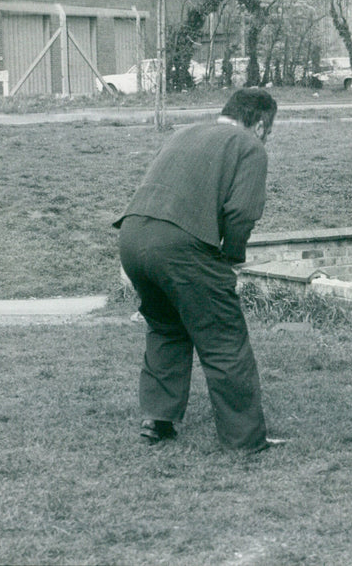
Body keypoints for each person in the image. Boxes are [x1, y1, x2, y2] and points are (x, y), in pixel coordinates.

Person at [113, 89, 282, 452]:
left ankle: (157, 421)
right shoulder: (249, 146)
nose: (267, 137)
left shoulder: (185, 132)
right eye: (269, 130)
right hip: (181, 243)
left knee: (166, 327)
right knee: (224, 338)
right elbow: (243, 211)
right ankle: (245, 441)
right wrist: (231, 257)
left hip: (132, 235)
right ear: (260, 124)